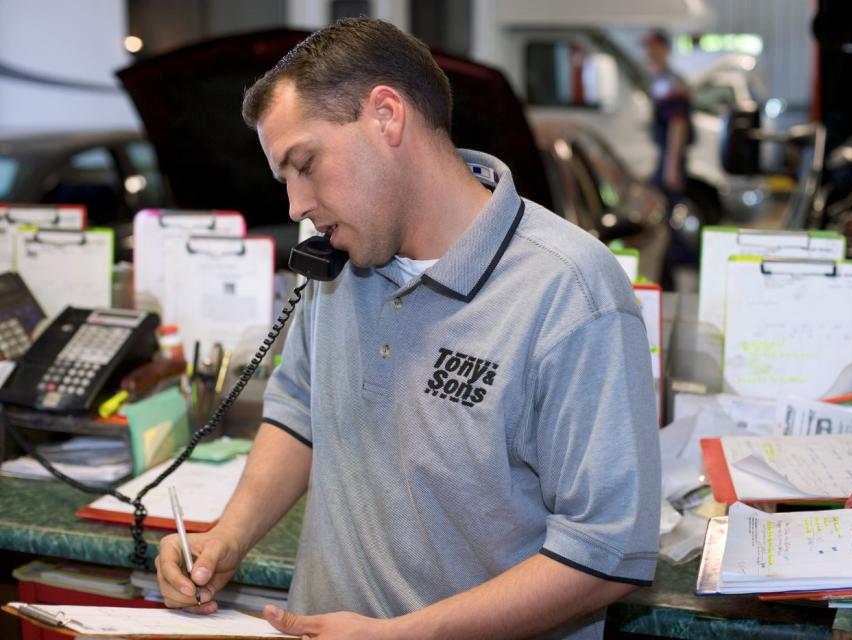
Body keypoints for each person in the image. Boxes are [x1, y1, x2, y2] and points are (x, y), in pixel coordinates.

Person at [155, 18, 660, 639]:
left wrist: (403, 636)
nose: (295, 207)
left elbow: (609, 552)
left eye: (305, 164)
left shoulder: (570, 291)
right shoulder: (340, 258)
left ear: (387, 116)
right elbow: (298, 413)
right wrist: (227, 538)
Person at [643, 29, 695, 290]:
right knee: (663, 215)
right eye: (647, 48)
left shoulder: (671, 83)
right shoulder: (661, 80)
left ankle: (680, 268)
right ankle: (672, 271)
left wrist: (671, 166)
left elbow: (678, 124)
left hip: (669, 159)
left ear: (665, 49)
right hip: (664, 158)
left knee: (665, 217)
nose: (649, 53)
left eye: (654, 48)